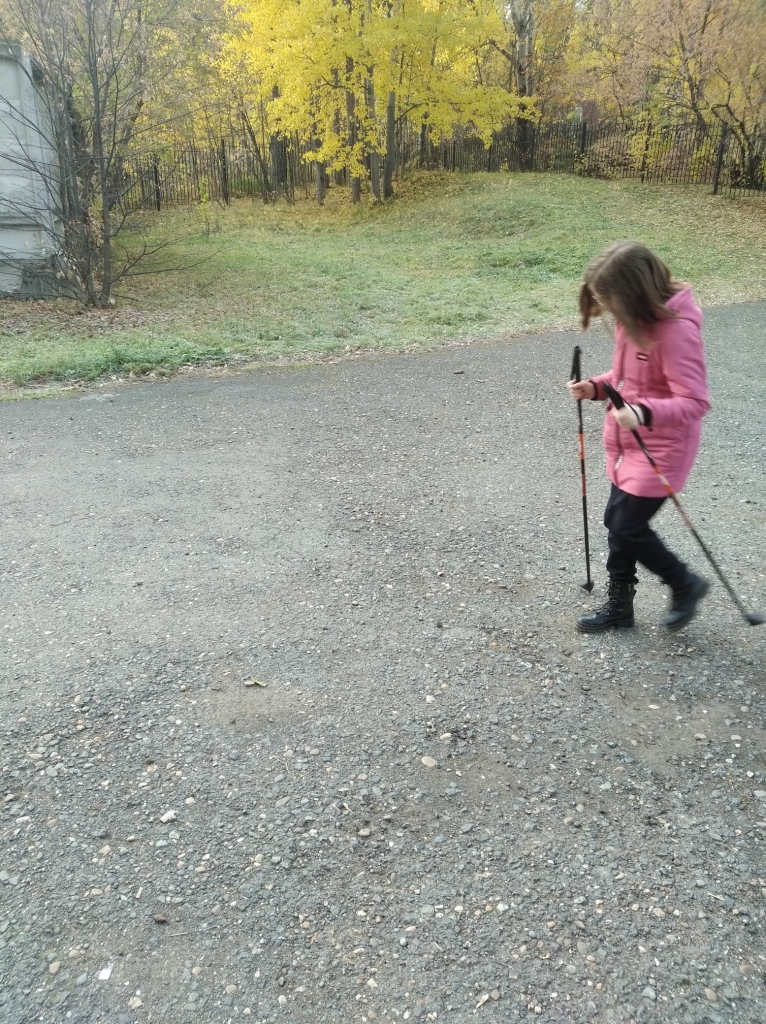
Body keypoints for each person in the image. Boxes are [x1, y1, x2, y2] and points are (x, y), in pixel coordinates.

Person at [567, 241, 711, 633]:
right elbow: (624, 379)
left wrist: (643, 412)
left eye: (609, 299)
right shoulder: (631, 322)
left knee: (625, 526)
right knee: (617, 524)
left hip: (663, 448)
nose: (606, 307)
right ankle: (620, 607)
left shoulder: (676, 332)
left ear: (633, 292)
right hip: (627, 445)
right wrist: (595, 387)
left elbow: (695, 401)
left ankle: (685, 583)